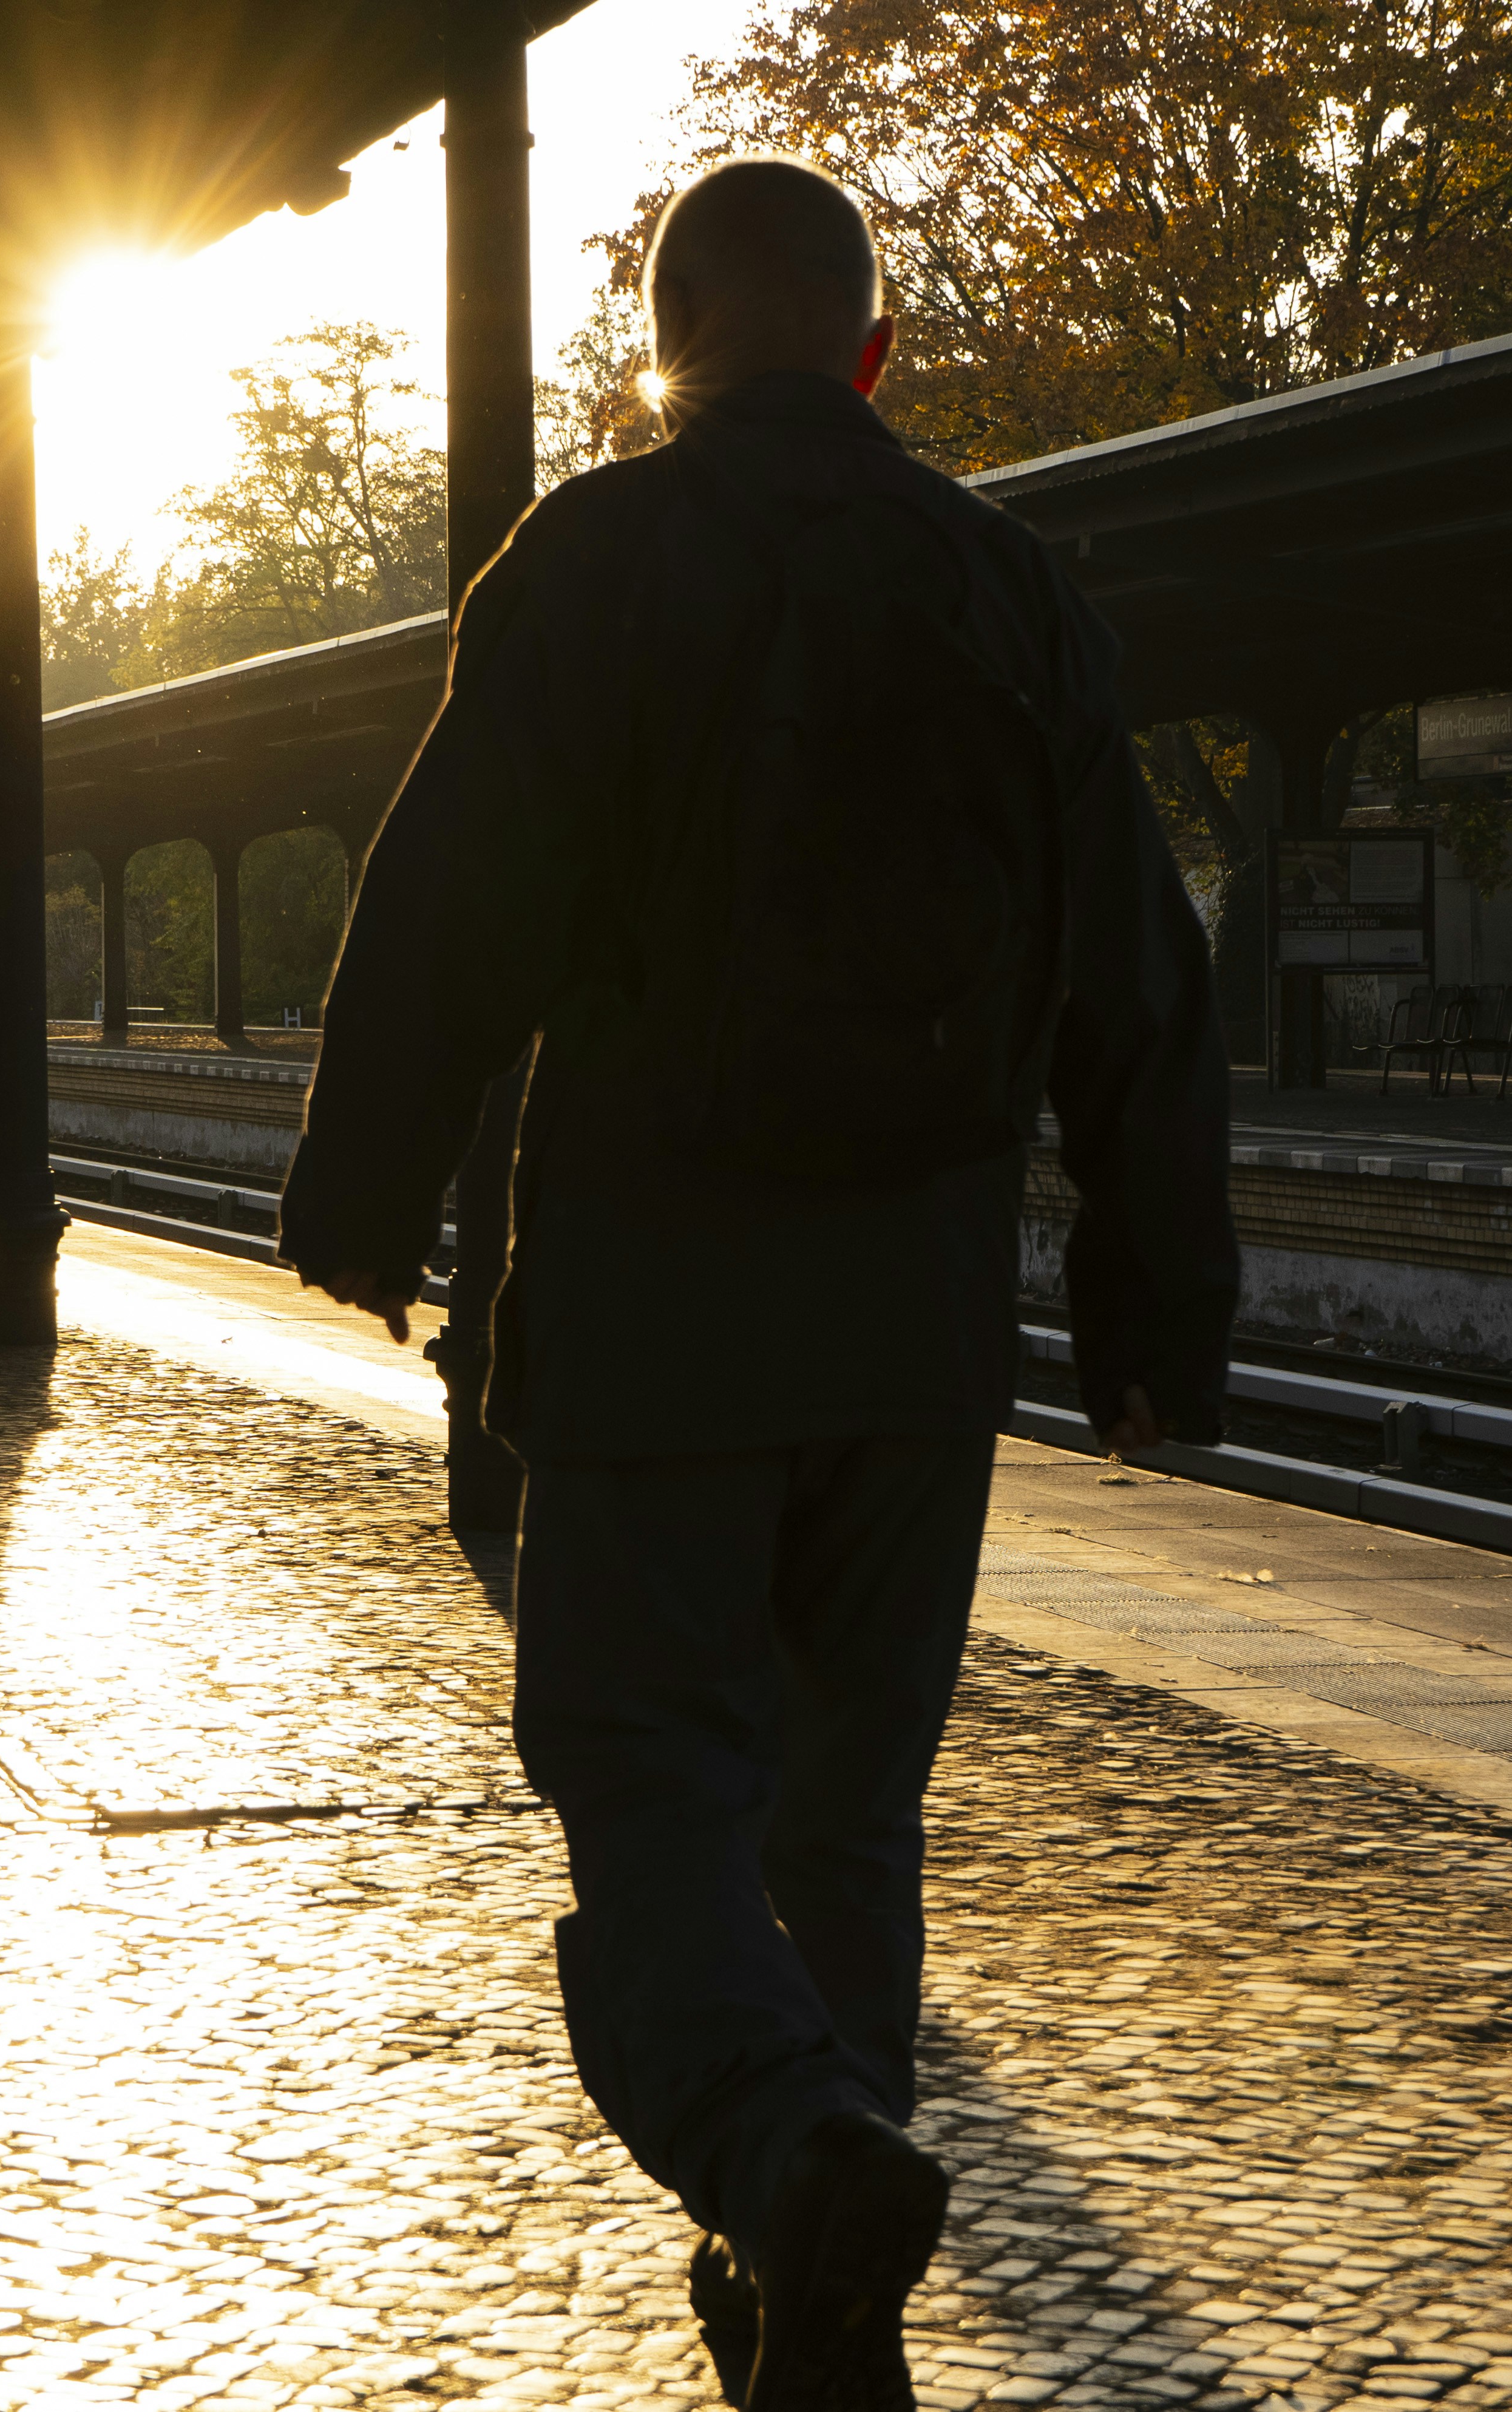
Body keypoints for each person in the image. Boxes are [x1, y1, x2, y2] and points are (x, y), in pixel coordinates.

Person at [279, 155, 1235, 2412]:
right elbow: (1136, 988)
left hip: (647, 1318)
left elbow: (448, 908)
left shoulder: (597, 562)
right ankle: (819, 2280)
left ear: (664, 342)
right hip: (916, 1333)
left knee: (649, 1788)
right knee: (845, 1817)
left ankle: (791, 2154)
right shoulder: (1011, 590)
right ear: (874, 353)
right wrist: (1152, 1318)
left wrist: (363, 1193)